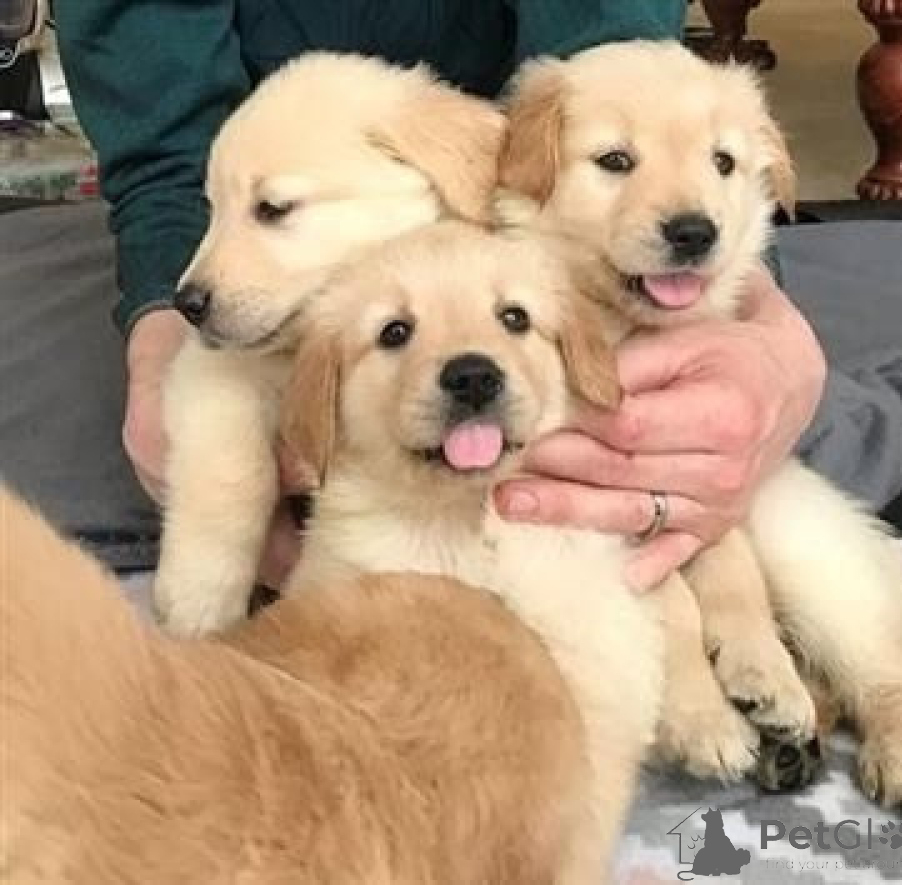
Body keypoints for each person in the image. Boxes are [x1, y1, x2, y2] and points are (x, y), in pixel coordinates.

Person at [56, 1, 826, 591]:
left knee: (753, 469)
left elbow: (625, 82)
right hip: (299, 271)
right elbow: (169, 152)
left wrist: (740, 318)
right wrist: (165, 340)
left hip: (529, 215)